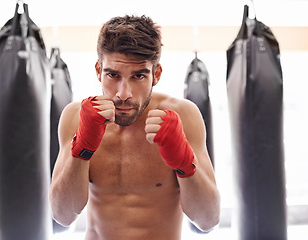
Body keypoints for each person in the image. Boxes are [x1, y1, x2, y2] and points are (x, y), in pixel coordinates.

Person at [49, 15, 220, 240]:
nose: (123, 94)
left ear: (156, 74)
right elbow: (62, 216)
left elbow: (207, 220)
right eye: (113, 75)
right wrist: (81, 147)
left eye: (138, 76)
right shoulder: (75, 117)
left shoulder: (183, 115)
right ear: (99, 70)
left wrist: (183, 162)